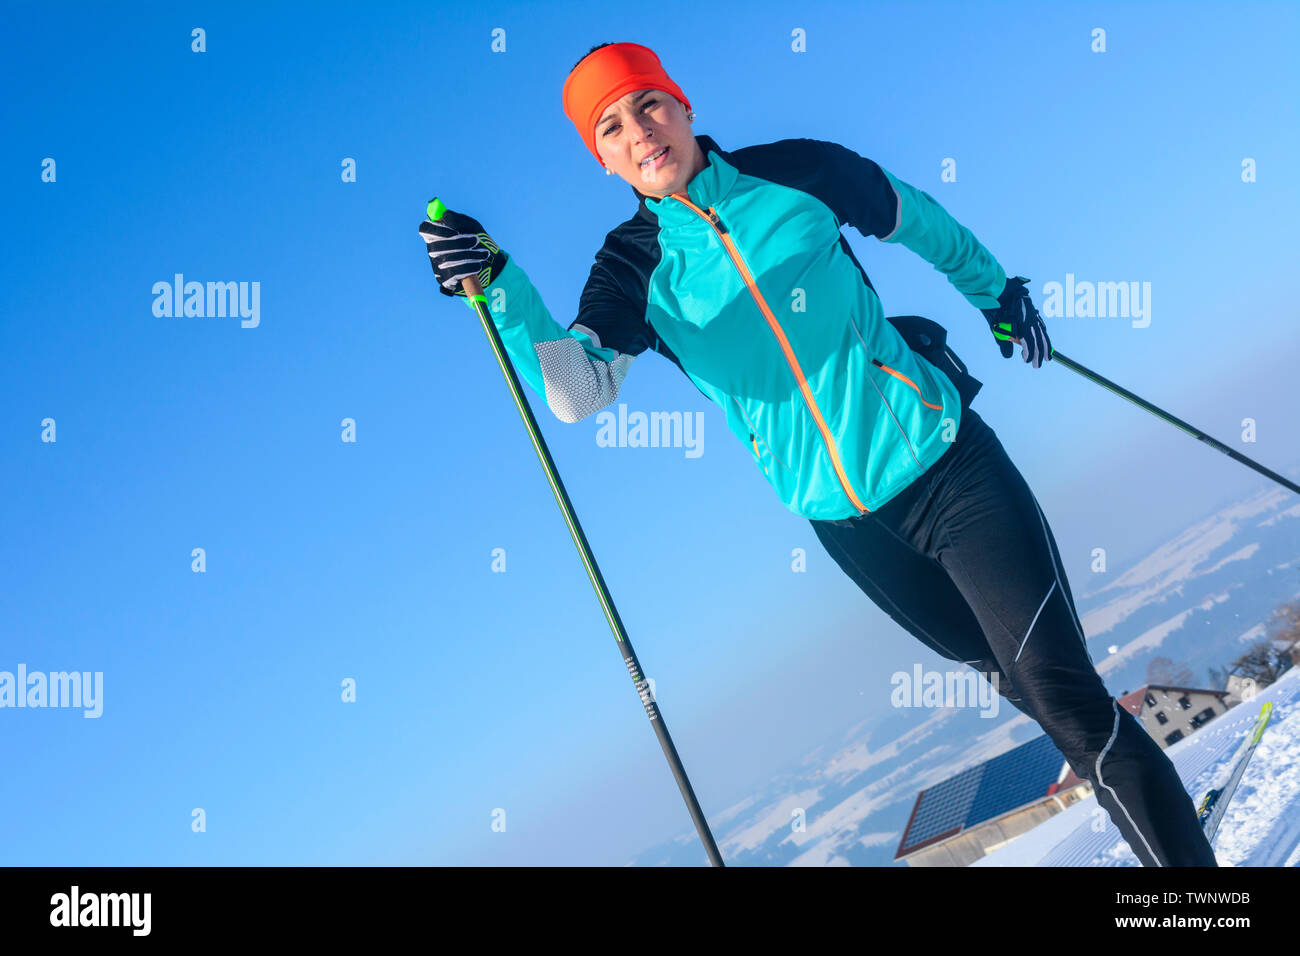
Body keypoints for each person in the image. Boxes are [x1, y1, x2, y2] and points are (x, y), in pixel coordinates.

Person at [418, 41, 1217, 867]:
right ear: (603, 157)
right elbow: (579, 393)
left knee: (1064, 696)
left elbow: (914, 217)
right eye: (611, 126)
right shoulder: (631, 269)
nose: (639, 132)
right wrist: (502, 287)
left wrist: (993, 294)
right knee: (1029, 693)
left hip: (950, 469)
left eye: (648, 103)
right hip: (851, 530)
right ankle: (1163, 814)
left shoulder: (796, 173)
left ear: (683, 106)